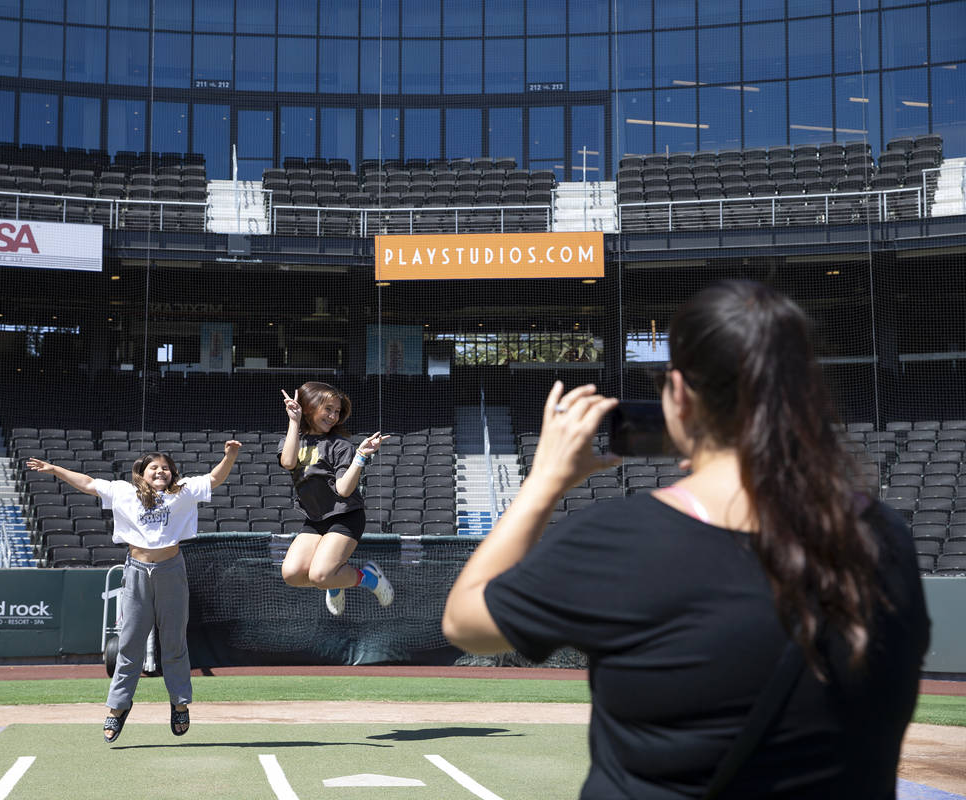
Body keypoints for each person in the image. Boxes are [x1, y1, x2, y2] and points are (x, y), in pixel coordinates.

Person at [442, 280, 929, 799]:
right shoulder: (884, 535)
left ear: (679, 394)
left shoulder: (616, 539)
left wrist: (542, 484)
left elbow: (466, 624)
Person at [26, 440, 241, 744]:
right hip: (137, 570)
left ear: (173, 473)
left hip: (171, 570)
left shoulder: (183, 491)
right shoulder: (123, 492)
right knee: (129, 644)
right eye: (154, 467)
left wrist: (229, 455)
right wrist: (54, 469)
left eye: (165, 467)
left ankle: (179, 703)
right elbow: (87, 483)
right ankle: (118, 707)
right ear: (140, 472)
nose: (161, 471)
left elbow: (216, 478)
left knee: (174, 642)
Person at [278, 381, 394, 615]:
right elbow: (288, 462)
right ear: (309, 407)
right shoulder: (293, 439)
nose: (333, 416)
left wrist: (360, 456)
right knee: (291, 574)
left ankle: (368, 578)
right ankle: (334, 582)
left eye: (337, 411)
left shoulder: (340, 445)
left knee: (320, 575)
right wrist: (294, 421)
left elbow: (343, 490)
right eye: (327, 408)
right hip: (315, 519)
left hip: (345, 517)